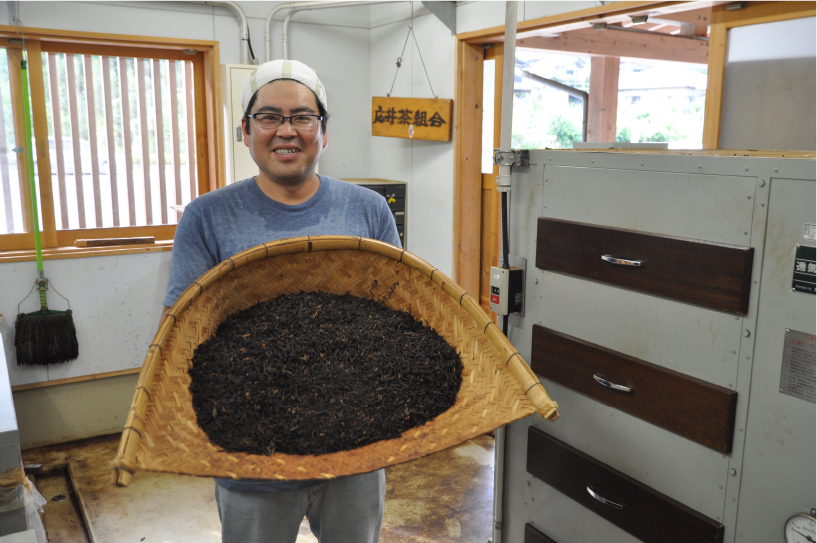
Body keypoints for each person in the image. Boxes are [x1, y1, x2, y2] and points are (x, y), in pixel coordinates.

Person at [160, 59, 400, 543]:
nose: (286, 131)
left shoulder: (368, 209)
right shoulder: (208, 216)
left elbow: (396, 316)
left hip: (354, 449)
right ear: (245, 130)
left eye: (302, 117)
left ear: (323, 131)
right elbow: (181, 331)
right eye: (269, 117)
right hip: (252, 459)